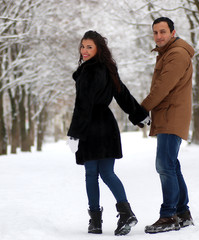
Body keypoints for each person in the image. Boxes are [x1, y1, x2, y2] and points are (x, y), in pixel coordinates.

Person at [67, 30, 149, 236]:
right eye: (83, 46)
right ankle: (126, 212)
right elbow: (123, 94)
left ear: (98, 49)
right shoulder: (108, 68)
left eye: (89, 47)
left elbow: (82, 104)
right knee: (108, 174)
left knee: (91, 175)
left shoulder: (88, 71)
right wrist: (139, 114)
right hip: (107, 125)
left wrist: (75, 133)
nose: (84, 51)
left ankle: (95, 221)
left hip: (91, 128)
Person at [140, 17, 195, 234]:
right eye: (155, 32)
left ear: (173, 32)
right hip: (168, 114)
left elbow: (163, 88)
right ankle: (182, 213)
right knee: (171, 165)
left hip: (172, 115)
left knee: (164, 165)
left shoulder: (177, 54)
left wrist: (141, 109)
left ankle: (168, 215)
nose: (159, 36)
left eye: (163, 31)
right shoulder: (169, 53)